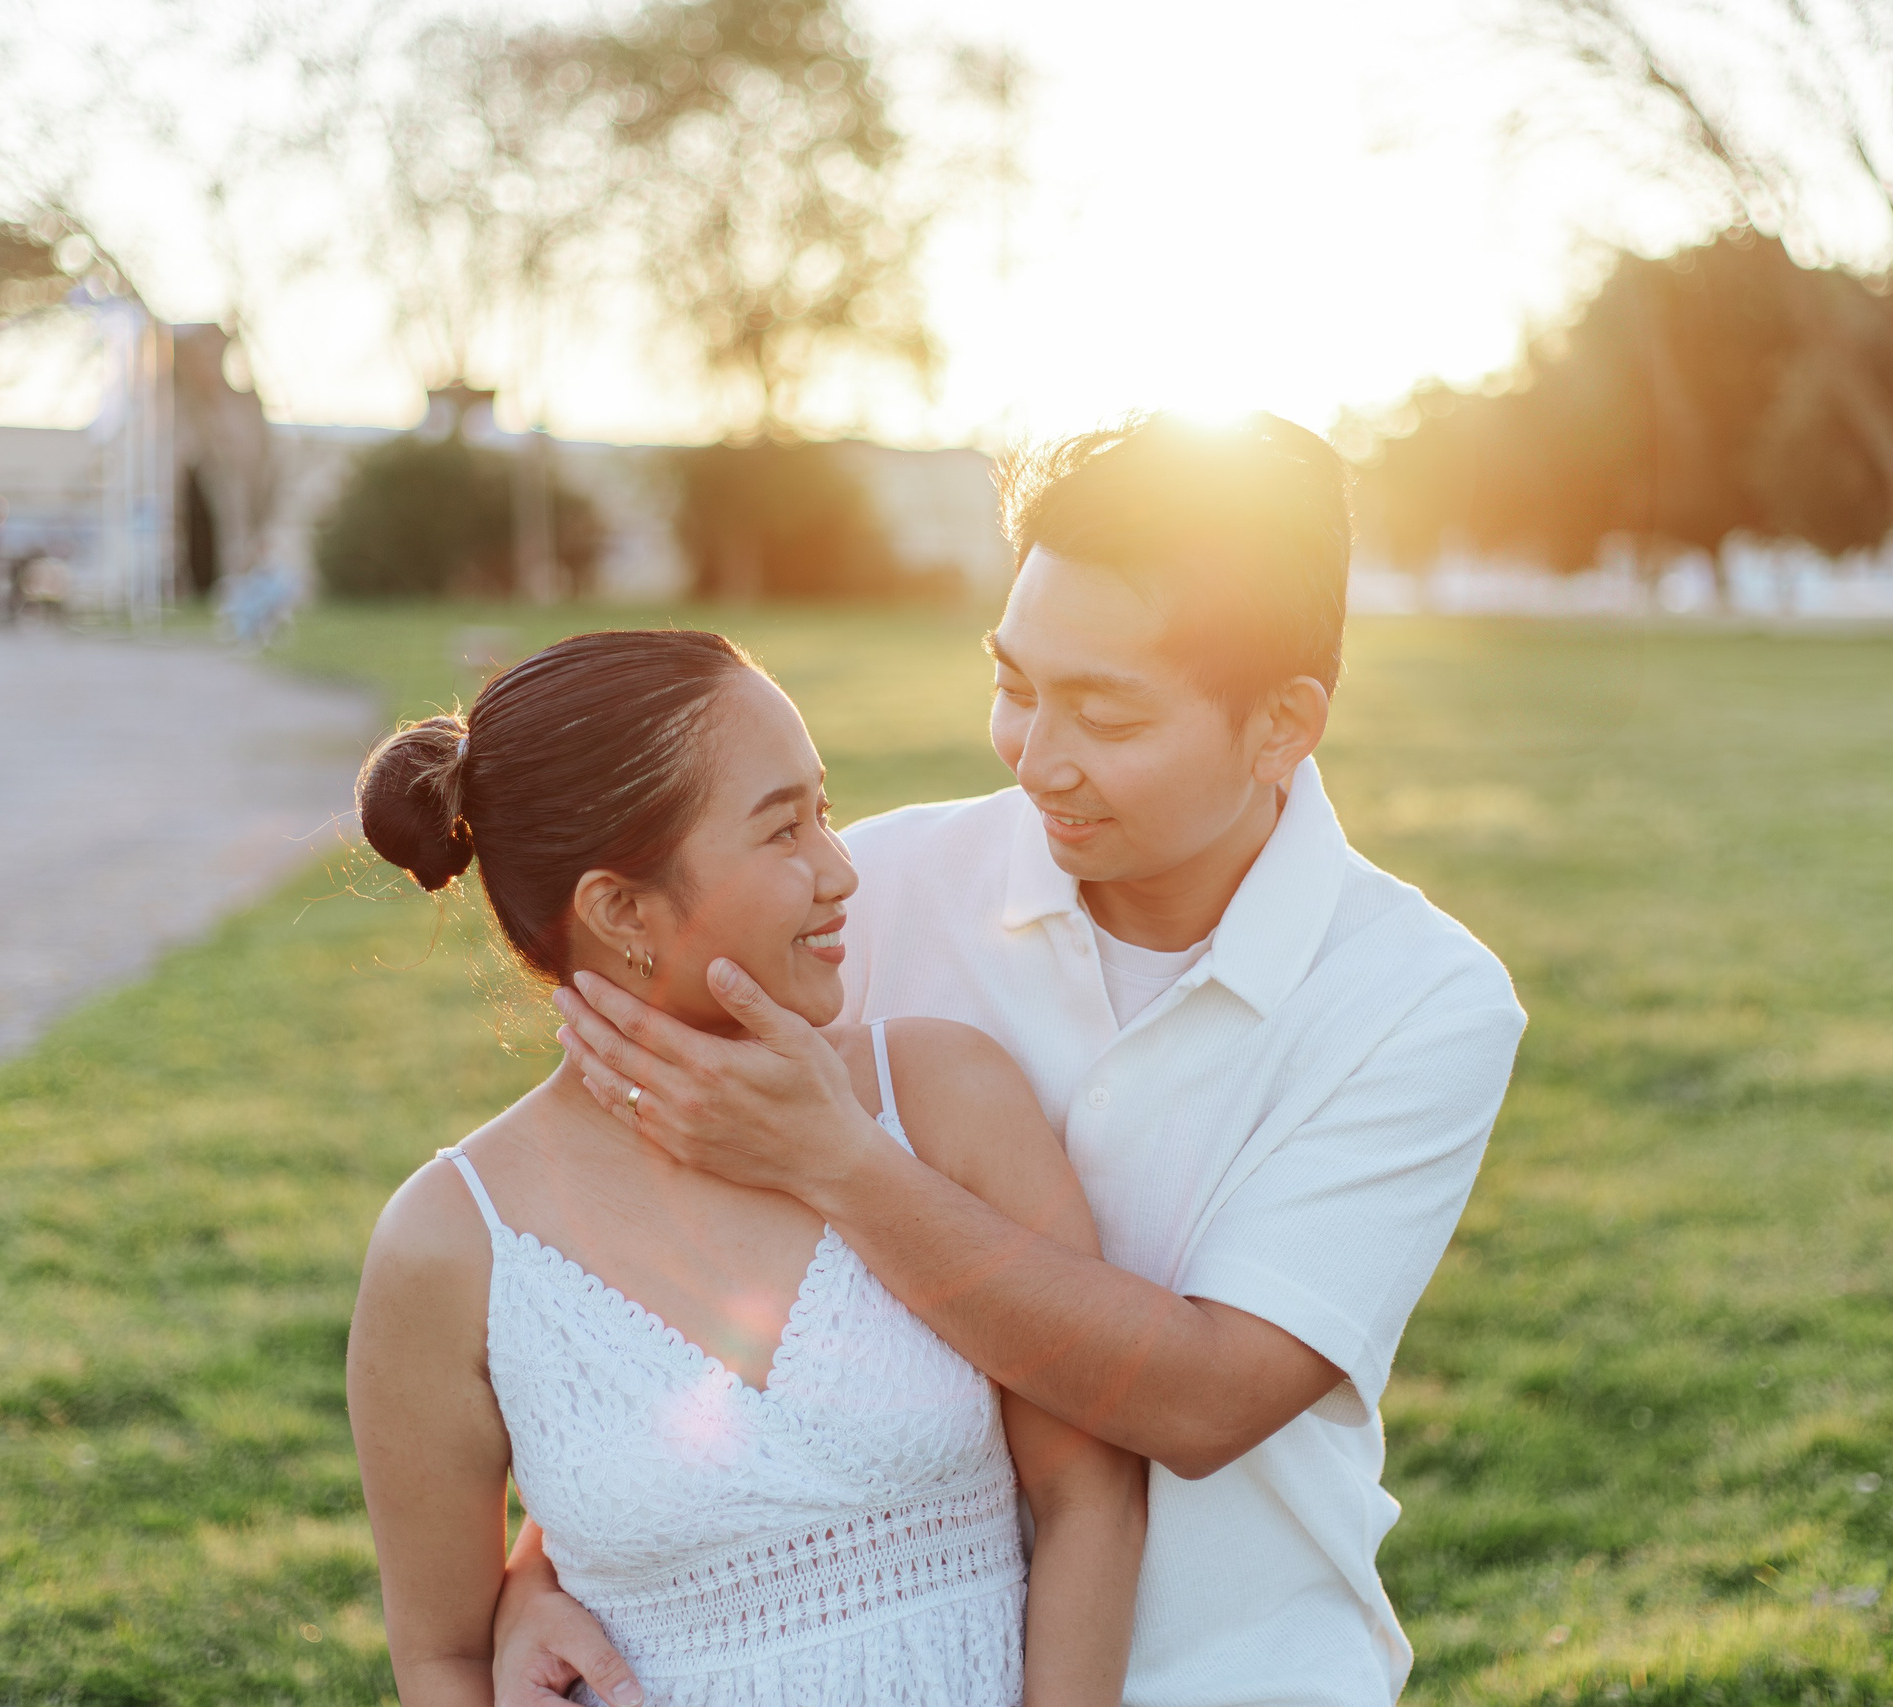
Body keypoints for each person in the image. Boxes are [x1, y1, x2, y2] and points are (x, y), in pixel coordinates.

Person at [505, 414, 1529, 1707]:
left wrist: (843, 1164)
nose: (1036, 756)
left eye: (1104, 711)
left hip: (1243, 1671)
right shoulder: (869, 892)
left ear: (1281, 725)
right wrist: (544, 1567)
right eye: (1017, 682)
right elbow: (657, 1254)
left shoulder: (1419, 1002)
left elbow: (1206, 1398)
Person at [346, 629, 1145, 1707]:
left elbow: (1091, 1493)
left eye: (823, 806)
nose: (839, 867)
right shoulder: (449, 1242)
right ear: (622, 912)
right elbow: (440, 1653)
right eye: (783, 829)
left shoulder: (944, 1097)